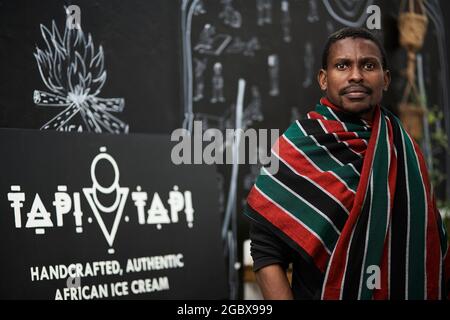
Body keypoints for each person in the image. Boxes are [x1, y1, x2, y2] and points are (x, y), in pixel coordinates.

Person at [244, 27, 450, 300]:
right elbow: (266, 250)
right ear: (323, 78)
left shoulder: (403, 147)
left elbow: (428, 240)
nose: (356, 75)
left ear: (385, 79)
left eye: (368, 65)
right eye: (342, 65)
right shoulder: (297, 147)